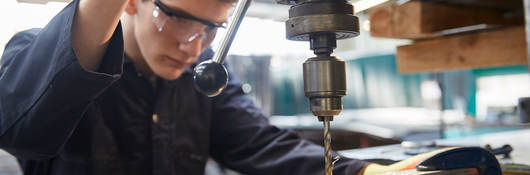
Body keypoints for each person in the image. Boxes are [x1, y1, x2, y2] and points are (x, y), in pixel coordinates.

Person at [0, 0, 371, 174]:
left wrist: (360, 172)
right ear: (130, 3)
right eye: (178, 19)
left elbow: (258, 145)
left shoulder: (206, 73)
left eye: (211, 28)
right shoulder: (37, 51)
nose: (193, 47)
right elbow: (18, 130)